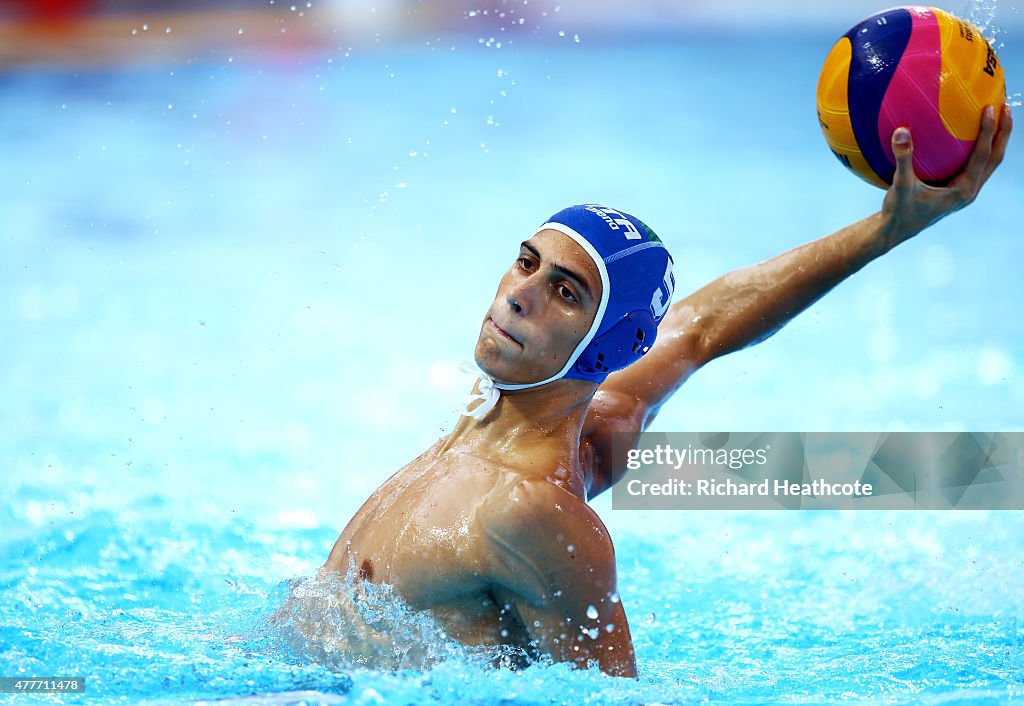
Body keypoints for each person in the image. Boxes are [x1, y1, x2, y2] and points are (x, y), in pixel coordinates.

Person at [320, 105, 1012, 678]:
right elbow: (700, 327)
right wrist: (887, 230)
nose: (518, 296)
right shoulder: (552, 419)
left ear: (612, 347)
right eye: (527, 262)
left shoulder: (531, 513)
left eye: (565, 292)